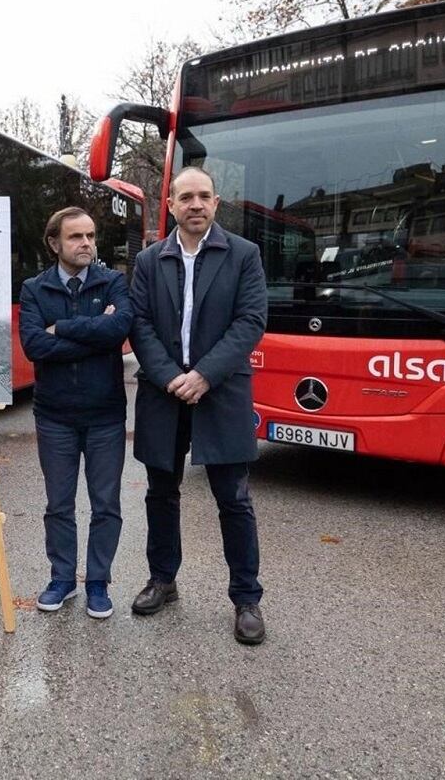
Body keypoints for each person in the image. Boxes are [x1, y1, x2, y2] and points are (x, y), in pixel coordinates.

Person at [128, 166, 269, 645]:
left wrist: (205, 374)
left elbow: (250, 321)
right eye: (186, 197)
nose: (196, 204)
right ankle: (162, 580)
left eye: (204, 196)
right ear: (170, 204)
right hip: (163, 394)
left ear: (216, 203)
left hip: (221, 392)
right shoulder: (149, 260)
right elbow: (139, 324)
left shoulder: (243, 254)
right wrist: (171, 376)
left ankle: (246, 599)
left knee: (234, 499)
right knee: (160, 494)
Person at [17, 207, 133, 619]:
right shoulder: (35, 289)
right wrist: (94, 331)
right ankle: (62, 579)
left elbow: (119, 331)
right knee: (59, 505)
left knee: (106, 505)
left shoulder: (112, 281)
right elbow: (34, 345)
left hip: (105, 416)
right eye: (75, 237)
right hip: (55, 417)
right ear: (54, 243)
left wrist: (63, 328)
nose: (86, 243)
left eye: (90, 236)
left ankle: (98, 582)